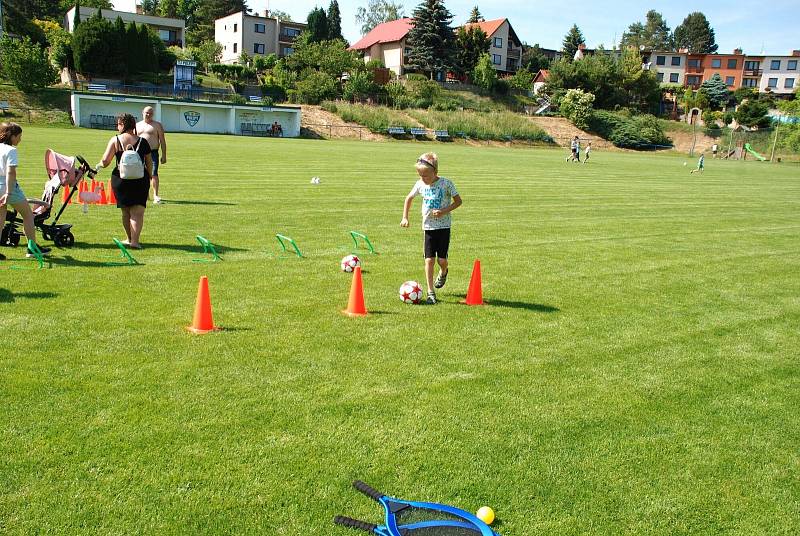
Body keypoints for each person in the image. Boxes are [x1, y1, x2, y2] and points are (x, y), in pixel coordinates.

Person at [400, 152, 462, 305]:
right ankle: (430, 293)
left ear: (435, 172)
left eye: (426, 175)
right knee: (429, 260)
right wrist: (405, 217)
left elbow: (458, 201)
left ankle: (444, 271)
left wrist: (444, 211)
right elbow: (409, 198)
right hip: (428, 228)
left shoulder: (447, 183)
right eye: (420, 175)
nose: (423, 178)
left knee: (441, 260)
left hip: (444, 227)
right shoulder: (420, 184)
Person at [96, 113, 152, 249]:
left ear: (122, 125)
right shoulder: (142, 141)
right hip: (140, 179)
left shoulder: (115, 140)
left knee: (125, 211)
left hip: (120, 180)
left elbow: (105, 161)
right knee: (137, 212)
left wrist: (98, 165)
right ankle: (135, 241)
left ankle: (129, 238)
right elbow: (149, 162)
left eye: (118, 124)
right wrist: (149, 176)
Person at [0, 122, 51, 260]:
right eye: (19, 136)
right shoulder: (11, 151)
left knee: (1, 217)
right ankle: (32, 248)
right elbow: (11, 173)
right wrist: (9, 193)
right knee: (28, 215)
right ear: (12, 136)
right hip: (8, 187)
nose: (20, 140)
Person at [135, 106, 167, 204]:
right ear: (142, 112)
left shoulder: (157, 125)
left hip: (153, 152)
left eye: (150, 113)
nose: (148, 114)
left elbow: (162, 140)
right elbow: (132, 139)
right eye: (146, 112)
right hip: (139, 153)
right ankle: (144, 194)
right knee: (140, 174)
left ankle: (156, 195)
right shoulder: (137, 125)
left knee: (153, 173)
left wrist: (164, 155)